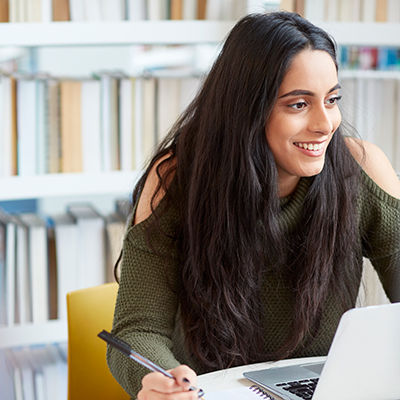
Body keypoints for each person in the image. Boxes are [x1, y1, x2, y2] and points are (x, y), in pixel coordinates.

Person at [107, 11, 400, 400]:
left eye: (332, 100)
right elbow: (137, 329)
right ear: (247, 108)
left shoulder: (361, 167)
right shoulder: (177, 179)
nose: (325, 123)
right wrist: (158, 380)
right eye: (298, 104)